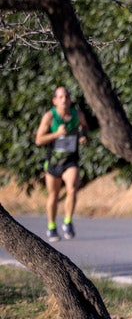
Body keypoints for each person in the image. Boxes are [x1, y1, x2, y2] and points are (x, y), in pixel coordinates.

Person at [34, 85, 90, 242]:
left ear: (70, 99)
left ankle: (67, 222)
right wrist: (57, 134)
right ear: (55, 101)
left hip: (70, 160)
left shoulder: (77, 114)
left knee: (72, 188)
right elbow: (39, 140)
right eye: (60, 97)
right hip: (53, 162)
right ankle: (51, 226)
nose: (64, 99)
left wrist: (83, 136)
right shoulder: (50, 117)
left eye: (66, 96)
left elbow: (85, 127)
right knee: (53, 195)